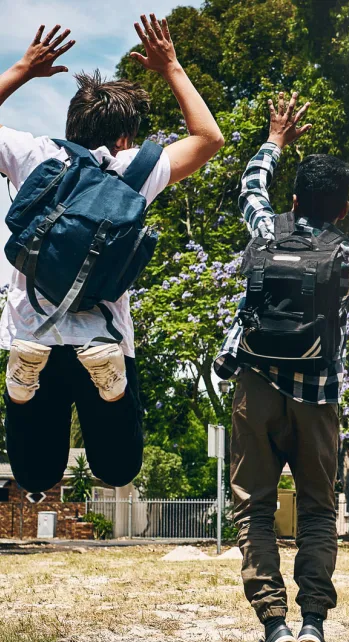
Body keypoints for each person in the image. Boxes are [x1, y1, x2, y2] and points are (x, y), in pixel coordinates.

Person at [218, 91, 349, 642]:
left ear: (293, 202)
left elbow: (250, 187)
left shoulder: (266, 231)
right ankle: (315, 624)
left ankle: (274, 628)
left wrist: (274, 138)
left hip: (255, 389)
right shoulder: (346, 253)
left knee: (254, 510)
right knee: (320, 512)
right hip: (318, 397)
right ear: (342, 207)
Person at [0, 16, 224, 494]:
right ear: (124, 138)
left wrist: (22, 69)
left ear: (70, 125)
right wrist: (172, 69)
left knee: (35, 473)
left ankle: (20, 390)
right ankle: (112, 385)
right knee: (118, 467)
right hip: (104, 335)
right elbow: (209, 139)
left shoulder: (34, 154)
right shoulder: (134, 168)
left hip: (30, 332)